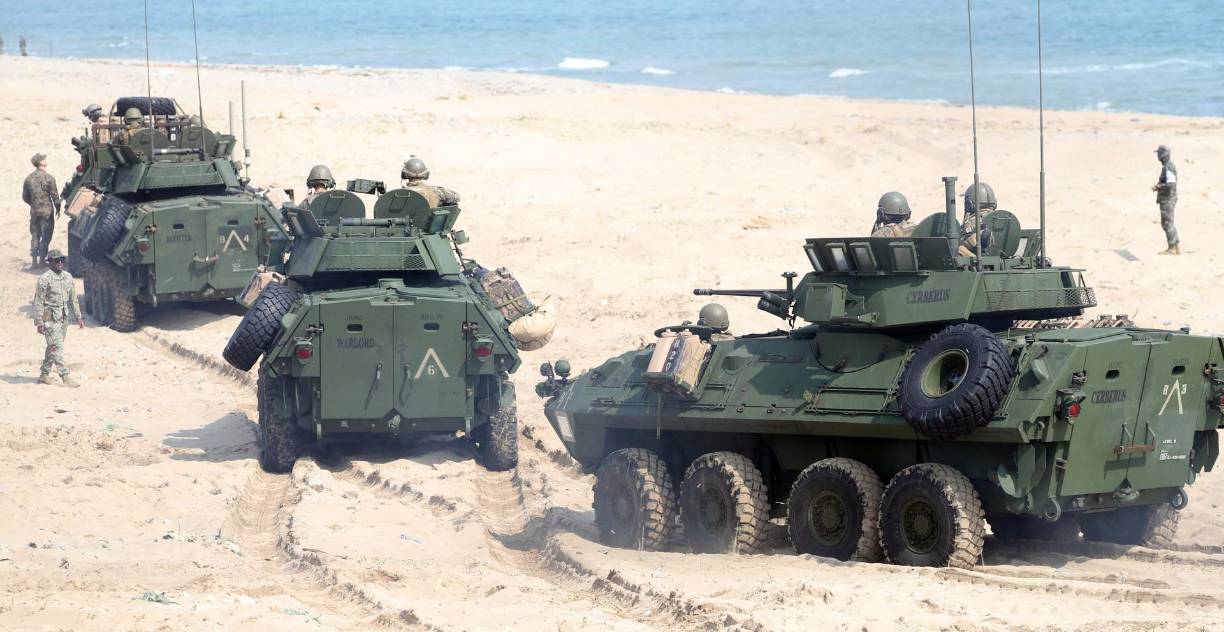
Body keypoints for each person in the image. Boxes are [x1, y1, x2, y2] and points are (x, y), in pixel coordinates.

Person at [33, 250, 83, 387]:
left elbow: (73, 299)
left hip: (63, 317)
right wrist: (39, 322)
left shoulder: (68, 277)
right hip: (49, 317)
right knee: (57, 346)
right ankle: (65, 377)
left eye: (62, 260)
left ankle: (44, 375)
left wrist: (78, 316)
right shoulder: (44, 279)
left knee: (53, 346)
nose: (60, 262)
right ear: (50, 262)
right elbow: (38, 301)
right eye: (56, 260)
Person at [22, 153, 61, 268]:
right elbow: (55, 196)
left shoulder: (28, 178)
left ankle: (34, 261)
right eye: (43, 159)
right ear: (41, 163)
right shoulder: (49, 177)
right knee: (46, 236)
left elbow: (25, 197)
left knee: (35, 235)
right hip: (47, 212)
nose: (45, 160)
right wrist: (58, 209)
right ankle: (42, 261)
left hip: (34, 212)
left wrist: (33, 204)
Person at [1153, 145, 1179, 255]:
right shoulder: (1168, 166)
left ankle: (1172, 248)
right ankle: (1175, 246)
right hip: (1168, 198)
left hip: (1167, 199)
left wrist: (1158, 187)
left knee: (1167, 223)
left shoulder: (1168, 167)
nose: (1158, 156)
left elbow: (1171, 183)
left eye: (1159, 154)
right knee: (1168, 222)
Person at [959, 181, 996, 257]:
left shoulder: (972, 221)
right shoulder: (1000, 217)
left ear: (969, 203)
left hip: (976, 262)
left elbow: (961, 245)